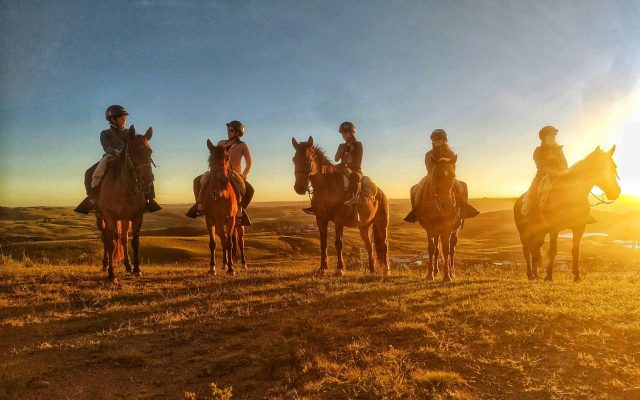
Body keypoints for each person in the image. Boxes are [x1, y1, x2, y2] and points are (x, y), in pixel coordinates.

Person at [74, 105, 161, 214]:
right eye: (121, 117)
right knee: (89, 173)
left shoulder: (129, 133)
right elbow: (107, 147)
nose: (124, 119)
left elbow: (136, 145)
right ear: (112, 119)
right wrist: (115, 151)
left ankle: (149, 199)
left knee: (145, 169)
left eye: (125, 117)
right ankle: (92, 199)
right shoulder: (105, 133)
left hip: (128, 158)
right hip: (112, 157)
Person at [186, 120, 254, 225]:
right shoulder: (221, 143)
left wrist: (244, 175)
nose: (228, 132)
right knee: (197, 181)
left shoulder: (243, 145)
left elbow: (249, 163)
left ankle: (241, 211)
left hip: (235, 171)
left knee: (250, 190)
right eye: (228, 130)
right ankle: (199, 205)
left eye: (231, 130)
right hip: (219, 170)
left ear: (237, 133)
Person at [404, 128, 475, 222]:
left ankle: (463, 209)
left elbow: (453, 167)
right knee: (414, 189)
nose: (437, 140)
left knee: (463, 186)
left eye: (439, 138)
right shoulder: (428, 154)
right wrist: (436, 173)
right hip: (432, 176)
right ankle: (416, 212)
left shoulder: (450, 153)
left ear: (444, 140)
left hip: (448, 176)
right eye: (434, 139)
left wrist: (448, 174)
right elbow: (428, 167)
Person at [527, 125, 596, 223]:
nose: (552, 138)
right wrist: (554, 172)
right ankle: (533, 216)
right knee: (534, 192)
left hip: (562, 174)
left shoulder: (559, 149)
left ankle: (584, 213)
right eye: (550, 135)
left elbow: (565, 163)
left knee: (577, 187)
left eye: (554, 135)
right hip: (543, 175)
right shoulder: (538, 151)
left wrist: (567, 172)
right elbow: (541, 166)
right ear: (543, 137)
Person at [302, 121, 363, 215]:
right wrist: (343, 150)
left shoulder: (358, 144)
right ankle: (318, 202)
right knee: (325, 176)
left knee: (353, 177)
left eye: (345, 132)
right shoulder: (342, 146)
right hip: (341, 167)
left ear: (351, 133)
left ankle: (354, 203)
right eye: (342, 133)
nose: (343, 135)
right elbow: (336, 158)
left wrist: (348, 161)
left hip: (354, 169)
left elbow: (358, 161)